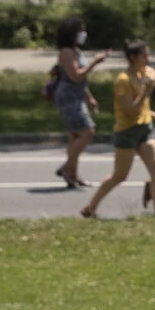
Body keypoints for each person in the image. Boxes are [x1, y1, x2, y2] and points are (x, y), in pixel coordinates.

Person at [80, 39, 155, 220]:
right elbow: (130, 110)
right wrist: (145, 91)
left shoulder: (148, 72)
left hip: (144, 128)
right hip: (126, 131)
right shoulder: (123, 80)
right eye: (144, 55)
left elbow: (143, 106)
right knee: (119, 176)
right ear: (133, 58)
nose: (148, 58)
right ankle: (91, 206)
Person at [48, 17, 105, 190]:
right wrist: (95, 63)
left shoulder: (75, 50)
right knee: (87, 132)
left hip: (77, 95)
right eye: (81, 30)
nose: (83, 34)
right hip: (68, 97)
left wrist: (90, 98)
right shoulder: (66, 52)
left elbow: (81, 80)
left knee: (75, 136)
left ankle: (72, 174)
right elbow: (75, 76)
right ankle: (67, 168)